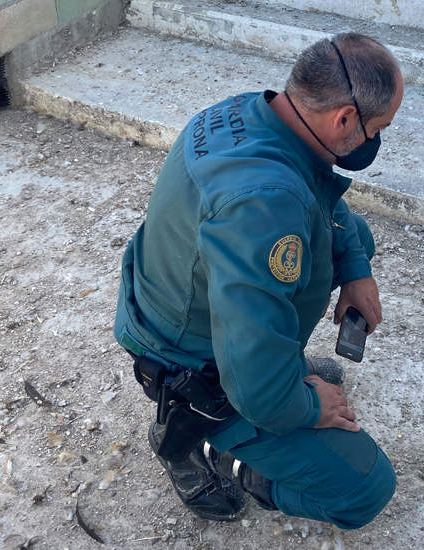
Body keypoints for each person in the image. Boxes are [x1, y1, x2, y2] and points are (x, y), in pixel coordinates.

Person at [113, 32, 404, 530]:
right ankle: (195, 439)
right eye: (377, 129)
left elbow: (322, 196)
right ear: (345, 119)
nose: (374, 141)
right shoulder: (265, 205)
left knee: (356, 238)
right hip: (190, 361)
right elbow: (252, 380)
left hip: (180, 295)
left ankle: (273, 374)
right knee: (365, 490)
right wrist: (305, 404)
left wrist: (356, 269)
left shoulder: (256, 112)